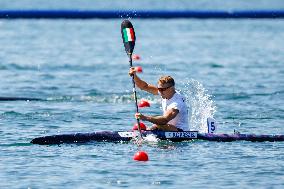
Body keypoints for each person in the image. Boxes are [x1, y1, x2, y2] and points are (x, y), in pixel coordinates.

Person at [129, 67, 189, 131]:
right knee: (155, 125)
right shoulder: (165, 92)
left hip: (180, 131)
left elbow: (164, 120)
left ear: (171, 88)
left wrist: (145, 118)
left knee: (159, 124)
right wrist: (134, 76)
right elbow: (144, 86)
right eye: (159, 89)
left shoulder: (177, 102)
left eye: (162, 89)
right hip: (166, 127)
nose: (160, 92)